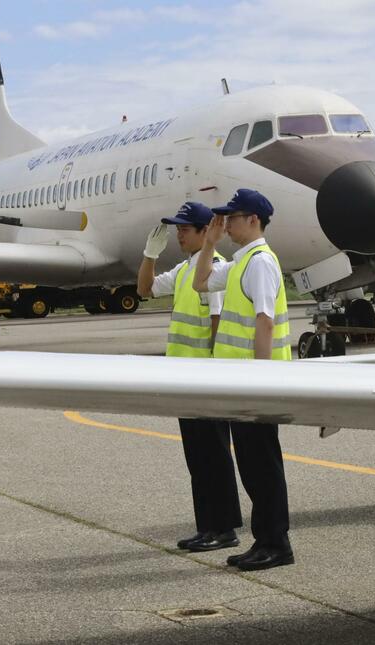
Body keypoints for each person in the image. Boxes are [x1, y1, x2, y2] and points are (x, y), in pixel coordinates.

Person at [193, 188, 294, 571]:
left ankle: (276, 544)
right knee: (252, 467)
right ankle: (264, 540)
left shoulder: (261, 262)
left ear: (253, 219)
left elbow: (264, 321)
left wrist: (260, 380)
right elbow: (201, 282)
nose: (226, 224)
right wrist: (209, 243)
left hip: (256, 385)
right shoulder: (240, 262)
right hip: (241, 385)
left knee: (263, 467)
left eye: (232, 218)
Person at [137, 202, 241, 553]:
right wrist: (150, 255)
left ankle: (224, 528)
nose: (178, 233)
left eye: (184, 228)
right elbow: (145, 289)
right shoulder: (185, 270)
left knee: (214, 455)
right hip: (184, 378)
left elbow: (216, 322)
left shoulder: (214, 270)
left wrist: (212, 374)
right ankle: (206, 526)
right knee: (198, 458)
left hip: (205, 378)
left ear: (203, 231)